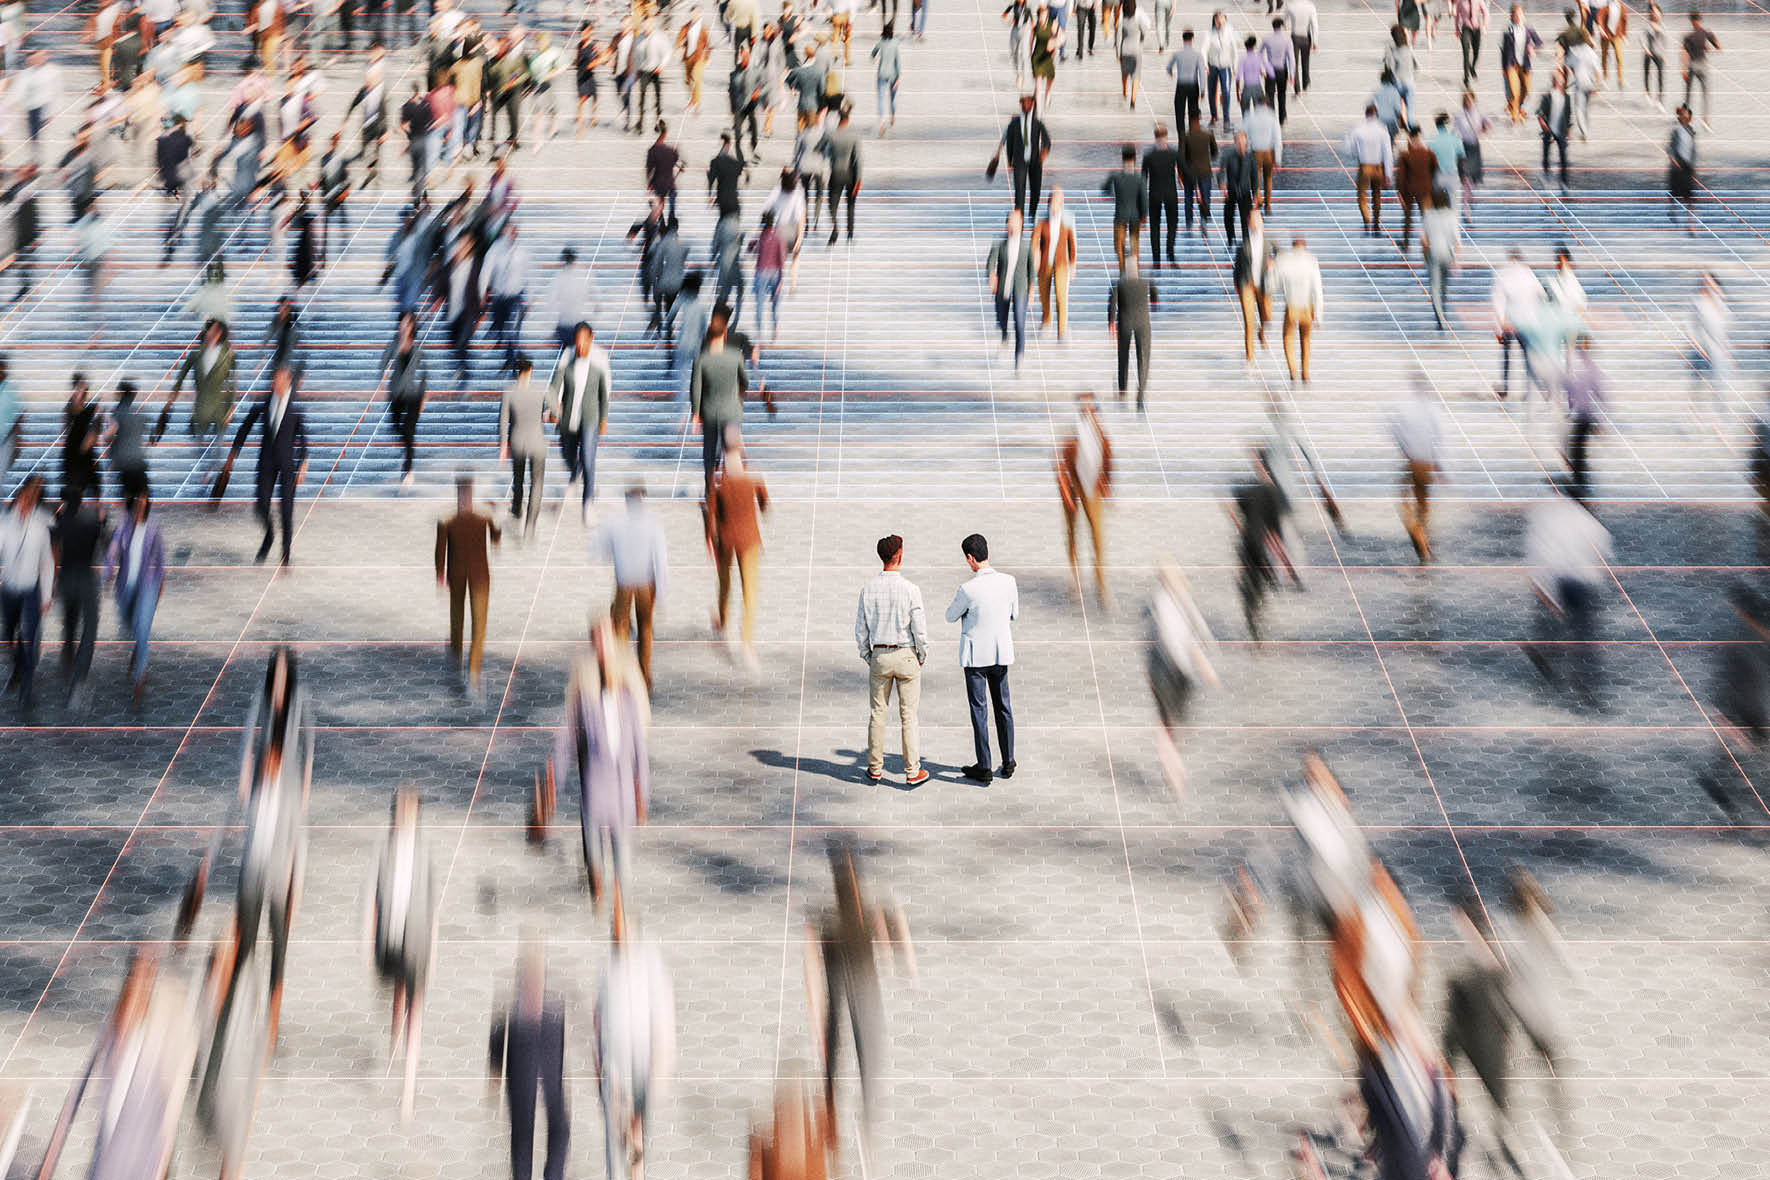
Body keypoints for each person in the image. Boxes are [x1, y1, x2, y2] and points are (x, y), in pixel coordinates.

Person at [806, 839, 912, 1138]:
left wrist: (901, 958)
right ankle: (837, 1110)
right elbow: (813, 960)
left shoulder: (837, 914)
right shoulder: (835, 915)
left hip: (853, 983)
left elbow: (892, 929)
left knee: (852, 1043)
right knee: (845, 1044)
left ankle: (846, 1111)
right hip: (849, 983)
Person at [556, 621, 649, 902]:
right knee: (593, 824)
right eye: (596, 636)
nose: (601, 642)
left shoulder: (625, 667)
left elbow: (640, 713)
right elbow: (570, 724)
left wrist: (641, 793)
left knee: (622, 856)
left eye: (605, 635)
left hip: (621, 784)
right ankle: (595, 871)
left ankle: (620, 907)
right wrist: (556, 776)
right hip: (594, 766)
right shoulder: (583, 670)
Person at [593, 891, 675, 1180]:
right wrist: (600, 1065)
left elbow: (661, 1018)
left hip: (642, 1063)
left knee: (637, 1133)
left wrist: (658, 1071)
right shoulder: (609, 967)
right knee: (617, 1136)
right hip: (615, 1066)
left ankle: (636, 1170)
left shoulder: (649, 964)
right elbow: (599, 1017)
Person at [369, 786, 436, 1122]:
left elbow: (431, 904)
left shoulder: (424, 853)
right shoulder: (386, 848)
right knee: (397, 994)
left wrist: (433, 950)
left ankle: (407, 1091)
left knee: (415, 1008)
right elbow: (376, 898)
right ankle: (394, 1041)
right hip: (391, 940)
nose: (403, 816)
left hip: (416, 943)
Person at [489, 944, 570, 1180]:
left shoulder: (517, 1013)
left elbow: (496, 1052)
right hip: (532, 1088)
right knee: (535, 1134)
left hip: (530, 1088)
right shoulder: (545, 1015)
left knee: (532, 1135)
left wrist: (495, 1081)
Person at [855, 533, 929, 785]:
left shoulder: (868, 589)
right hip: (906, 654)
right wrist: (921, 654)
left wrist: (868, 655)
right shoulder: (911, 589)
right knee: (909, 716)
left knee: (878, 713)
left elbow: (861, 629)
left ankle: (875, 768)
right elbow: (919, 628)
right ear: (899, 555)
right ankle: (912, 771)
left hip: (880, 655)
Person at [945, 533, 1018, 784]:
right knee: (1003, 707)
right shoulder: (1009, 581)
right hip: (1000, 653)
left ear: (970, 558)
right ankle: (1008, 760)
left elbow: (950, 616)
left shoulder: (967, 589)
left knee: (979, 710)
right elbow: (1014, 614)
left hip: (976, 658)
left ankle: (984, 765)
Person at [230, 366, 308, 568]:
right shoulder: (264, 404)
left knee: (286, 508)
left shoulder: (295, 409)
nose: (276, 384)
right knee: (261, 505)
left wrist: (303, 463)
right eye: (274, 381)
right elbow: (245, 427)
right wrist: (234, 452)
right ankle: (269, 534)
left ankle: (285, 553)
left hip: (287, 464)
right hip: (266, 461)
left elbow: (303, 440)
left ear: (288, 382)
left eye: (280, 381)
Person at [707, 432, 769, 668]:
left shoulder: (718, 486)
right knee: (749, 593)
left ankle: (723, 625)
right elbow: (764, 506)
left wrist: (710, 541)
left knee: (724, 585)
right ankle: (746, 642)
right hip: (749, 541)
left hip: (725, 542)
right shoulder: (753, 481)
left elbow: (710, 520)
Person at [597, 487, 668, 693]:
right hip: (646, 583)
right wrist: (662, 594)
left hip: (624, 583)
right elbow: (660, 559)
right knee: (645, 629)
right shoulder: (652, 524)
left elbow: (603, 551)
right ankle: (644, 678)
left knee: (620, 629)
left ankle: (620, 674)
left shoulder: (616, 523)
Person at [436, 474, 502, 697]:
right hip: (477, 577)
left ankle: (462, 665)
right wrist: (496, 516)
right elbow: (496, 540)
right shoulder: (480, 518)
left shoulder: (448, 519)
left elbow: (440, 550)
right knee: (475, 625)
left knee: (462, 622)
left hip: (463, 577)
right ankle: (469, 671)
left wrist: (440, 575)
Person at [550, 323, 613, 522]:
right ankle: (575, 472)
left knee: (588, 457)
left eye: (584, 340)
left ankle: (588, 503)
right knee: (567, 454)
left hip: (590, 417)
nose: (581, 345)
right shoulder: (567, 355)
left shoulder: (600, 358)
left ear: (591, 339)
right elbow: (557, 385)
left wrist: (603, 417)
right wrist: (554, 408)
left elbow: (605, 389)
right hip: (568, 416)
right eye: (578, 341)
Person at [0, 476, 52, 706]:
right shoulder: (4, 524)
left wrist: (46, 595)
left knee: (29, 637)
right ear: (19, 498)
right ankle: (18, 665)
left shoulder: (40, 527)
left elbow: (47, 562)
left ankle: (26, 690)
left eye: (31, 499)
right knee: (10, 635)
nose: (27, 502)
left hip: (31, 589)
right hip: (9, 589)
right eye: (25, 497)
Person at [52, 491, 107, 706]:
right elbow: (103, 542)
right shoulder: (90, 522)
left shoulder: (60, 522)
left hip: (66, 579)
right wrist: (102, 521)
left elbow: (53, 546)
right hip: (86, 578)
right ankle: (78, 679)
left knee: (69, 626)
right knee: (89, 628)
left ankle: (66, 667)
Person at [1057, 396, 1112, 604]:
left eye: (1092, 407)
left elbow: (1107, 459)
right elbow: (1061, 464)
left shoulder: (1100, 435)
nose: (1089, 410)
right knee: (1072, 533)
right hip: (1073, 485)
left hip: (1092, 487)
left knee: (1096, 535)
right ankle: (1075, 578)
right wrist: (1066, 491)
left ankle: (1100, 583)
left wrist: (1106, 486)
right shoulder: (1072, 433)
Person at [691, 308, 752, 490]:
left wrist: (696, 414)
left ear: (708, 335)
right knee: (731, 452)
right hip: (732, 412)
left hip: (710, 413)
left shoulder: (701, 360)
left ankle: (709, 491)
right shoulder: (736, 356)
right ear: (724, 334)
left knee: (709, 452)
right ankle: (731, 491)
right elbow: (745, 381)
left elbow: (696, 388)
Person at [500, 357, 555, 539]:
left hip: (517, 441)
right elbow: (557, 412)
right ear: (531, 369)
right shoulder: (541, 388)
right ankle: (530, 526)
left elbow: (503, 420)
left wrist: (503, 446)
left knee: (518, 477)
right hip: (537, 442)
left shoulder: (509, 391)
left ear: (517, 371)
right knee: (537, 483)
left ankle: (517, 508)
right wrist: (547, 414)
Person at [1392, 378, 1444, 561]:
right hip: (1426, 463)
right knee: (1422, 504)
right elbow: (1439, 438)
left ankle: (1419, 537)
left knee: (1404, 502)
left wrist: (1405, 450)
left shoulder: (1408, 410)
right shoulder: (1432, 411)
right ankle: (1425, 537)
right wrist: (1439, 465)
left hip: (1413, 462)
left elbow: (1397, 432)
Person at [377, 312, 427, 487]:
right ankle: (407, 451)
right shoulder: (394, 344)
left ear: (412, 326)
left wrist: (424, 395)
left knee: (409, 430)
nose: (404, 327)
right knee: (396, 426)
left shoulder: (416, 347)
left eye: (408, 324)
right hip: (397, 393)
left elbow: (424, 373)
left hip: (413, 394)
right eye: (403, 323)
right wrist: (382, 378)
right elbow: (383, 362)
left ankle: (408, 469)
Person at [987, 209, 1036, 370]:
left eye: (1016, 222)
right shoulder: (1000, 244)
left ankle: (1019, 358)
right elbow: (991, 262)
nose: (1013, 226)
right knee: (1001, 320)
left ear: (1020, 224)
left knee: (1020, 324)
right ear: (1007, 225)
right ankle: (1004, 337)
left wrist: (1031, 292)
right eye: (1010, 222)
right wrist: (991, 275)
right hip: (1003, 289)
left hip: (1020, 290)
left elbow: (1031, 271)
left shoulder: (1026, 246)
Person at [1491, 247, 1543, 399]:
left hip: (1509, 322)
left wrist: (1498, 329)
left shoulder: (1503, 275)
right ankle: (1530, 389)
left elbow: (1498, 303)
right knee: (1528, 356)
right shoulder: (1529, 274)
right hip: (1528, 322)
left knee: (1507, 356)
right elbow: (1541, 296)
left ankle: (1505, 387)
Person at [1271, 235, 1323, 384]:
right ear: (1305, 247)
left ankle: (1293, 371)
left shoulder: (1284, 261)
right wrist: (1319, 315)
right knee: (1305, 340)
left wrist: (1271, 269)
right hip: (1307, 306)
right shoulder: (1312, 261)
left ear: (1293, 246)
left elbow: (1273, 286)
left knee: (1288, 338)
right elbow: (1318, 290)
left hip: (1292, 306)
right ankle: (1305, 373)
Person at [992, 94, 1050, 228]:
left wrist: (1044, 153)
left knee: (1036, 190)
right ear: (1021, 105)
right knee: (1019, 191)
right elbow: (1009, 141)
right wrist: (1009, 159)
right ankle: (1020, 218)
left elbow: (1047, 140)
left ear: (1032, 105)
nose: (1026, 105)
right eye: (1024, 102)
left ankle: (1032, 213)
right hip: (1019, 161)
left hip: (1035, 161)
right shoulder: (1014, 124)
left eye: (1029, 102)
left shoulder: (1038, 123)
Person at [1108, 255, 1156, 408]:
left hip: (1125, 323)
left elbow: (1112, 305)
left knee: (1123, 357)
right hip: (1143, 323)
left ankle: (1123, 391)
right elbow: (1154, 297)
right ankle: (1140, 395)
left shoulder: (1118, 284)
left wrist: (1111, 323)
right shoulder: (1146, 282)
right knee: (1144, 358)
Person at [1032, 188, 1077, 338]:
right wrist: (1035, 256)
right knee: (1044, 295)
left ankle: (1062, 330)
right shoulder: (1042, 222)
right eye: (1052, 203)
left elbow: (1072, 245)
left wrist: (1072, 264)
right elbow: (1034, 241)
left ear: (1061, 205)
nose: (1054, 207)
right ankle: (1046, 321)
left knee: (1060, 296)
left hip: (1061, 265)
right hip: (1044, 264)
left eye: (1057, 203)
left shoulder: (1066, 223)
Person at [1343, 105, 1393, 233]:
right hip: (1378, 167)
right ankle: (1376, 222)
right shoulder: (1382, 129)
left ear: (1366, 114)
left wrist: (1356, 153)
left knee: (1362, 196)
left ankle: (1366, 221)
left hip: (1364, 166)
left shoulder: (1358, 129)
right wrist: (1388, 173)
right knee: (1377, 195)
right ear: (1377, 115)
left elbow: (1348, 148)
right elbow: (1388, 153)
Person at [1233, 210, 1271, 365]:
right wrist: (1237, 283)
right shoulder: (1243, 245)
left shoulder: (1269, 243)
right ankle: (1249, 356)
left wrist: (1274, 263)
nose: (1256, 223)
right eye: (1253, 221)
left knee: (1267, 315)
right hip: (1247, 285)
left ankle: (1261, 332)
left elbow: (1282, 255)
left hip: (1263, 285)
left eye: (1259, 220)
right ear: (1249, 223)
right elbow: (1237, 267)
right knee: (1249, 322)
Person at [1420, 187, 1460, 329]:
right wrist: (1456, 260)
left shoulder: (1428, 215)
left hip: (1433, 253)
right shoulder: (1451, 216)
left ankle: (1440, 317)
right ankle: (1443, 311)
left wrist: (1424, 256)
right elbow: (1456, 240)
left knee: (1435, 287)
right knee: (1443, 286)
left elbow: (1424, 240)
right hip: (1447, 254)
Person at [1102, 145, 1146, 270]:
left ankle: (1122, 268)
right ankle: (1133, 268)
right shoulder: (1140, 177)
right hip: (1135, 216)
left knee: (1118, 244)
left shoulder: (1115, 176)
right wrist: (1144, 215)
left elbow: (1105, 189)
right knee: (1134, 245)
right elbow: (1144, 198)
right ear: (1135, 158)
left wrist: (1112, 195)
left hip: (1120, 215)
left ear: (1122, 158)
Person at [824, 103, 863, 245]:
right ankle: (850, 235)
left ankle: (835, 228)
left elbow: (826, 153)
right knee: (851, 205)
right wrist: (859, 179)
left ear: (839, 119)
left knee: (832, 204)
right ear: (848, 119)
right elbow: (858, 159)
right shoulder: (854, 136)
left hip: (836, 173)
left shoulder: (831, 135)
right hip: (850, 174)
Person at [1499, 4, 1540, 124]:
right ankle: (1515, 117)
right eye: (1516, 15)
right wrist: (1503, 67)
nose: (1519, 17)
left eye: (1520, 14)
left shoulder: (1529, 29)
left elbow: (1539, 42)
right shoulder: (1507, 30)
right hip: (1511, 64)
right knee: (1515, 92)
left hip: (1525, 65)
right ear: (1512, 16)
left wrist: (1532, 48)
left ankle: (1516, 106)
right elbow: (1503, 50)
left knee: (1527, 90)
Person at [1396, 126, 1435, 249]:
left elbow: (1401, 177)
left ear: (1410, 138)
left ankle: (1406, 243)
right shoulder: (1429, 154)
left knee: (1407, 217)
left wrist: (1400, 192)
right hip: (1425, 190)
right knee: (1426, 217)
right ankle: (1428, 243)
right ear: (1420, 136)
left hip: (1409, 190)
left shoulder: (1406, 156)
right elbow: (1435, 171)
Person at [1243, 94, 1281, 214]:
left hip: (1255, 152)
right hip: (1269, 152)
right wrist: (1278, 159)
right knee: (1268, 178)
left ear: (1256, 103)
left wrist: (1246, 152)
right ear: (1267, 104)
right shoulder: (1272, 117)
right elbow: (1278, 139)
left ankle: (1258, 200)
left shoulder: (1250, 116)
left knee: (1255, 178)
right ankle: (1268, 205)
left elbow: (1244, 135)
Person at [1680, 10, 1718, 127]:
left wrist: (1683, 70)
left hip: (1693, 65)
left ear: (1691, 20)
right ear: (1699, 19)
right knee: (1705, 93)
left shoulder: (1688, 36)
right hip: (1702, 65)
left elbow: (1684, 53)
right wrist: (1707, 48)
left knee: (1688, 94)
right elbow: (1718, 47)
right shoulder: (1706, 33)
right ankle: (1705, 120)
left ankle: (1685, 119)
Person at [1180, 113, 1216, 235]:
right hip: (1205, 171)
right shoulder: (1208, 135)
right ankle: (1204, 221)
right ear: (1200, 118)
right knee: (1205, 197)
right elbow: (1215, 153)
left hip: (1189, 172)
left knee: (1188, 198)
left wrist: (1182, 172)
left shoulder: (1186, 136)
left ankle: (1189, 223)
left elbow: (1182, 157)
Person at [1219, 129, 1255, 249]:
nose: (1241, 145)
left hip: (1245, 191)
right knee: (1228, 216)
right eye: (1238, 143)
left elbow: (1254, 176)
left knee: (1246, 218)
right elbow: (1221, 171)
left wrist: (1255, 193)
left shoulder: (1250, 157)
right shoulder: (1228, 155)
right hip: (1231, 190)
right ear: (1235, 143)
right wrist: (1222, 184)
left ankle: (1246, 241)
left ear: (1246, 143)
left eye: (1243, 143)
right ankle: (1230, 238)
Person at [1537, 69, 1572, 187]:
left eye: (1560, 79)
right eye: (1556, 78)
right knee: (1546, 155)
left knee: (1563, 157)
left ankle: (1564, 181)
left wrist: (1568, 130)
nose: (1559, 81)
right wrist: (1544, 126)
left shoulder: (1566, 97)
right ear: (1553, 80)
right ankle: (1546, 174)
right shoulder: (1547, 97)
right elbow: (1540, 114)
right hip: (1549, 130)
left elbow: (1568, 115)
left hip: (1561, 130)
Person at [1668, 103, 1697, 232]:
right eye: (1683, 115)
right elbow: (1670, 147)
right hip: (1677, 166)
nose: (1685, 117)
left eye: (1687, 115)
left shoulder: (1691, 131)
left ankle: (1690, 223)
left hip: (1687, 166)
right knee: (1675, 193)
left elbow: (1693, 149)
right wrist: (1673, 159)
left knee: (1689, 196)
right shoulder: (1676, 131)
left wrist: (1692, 164)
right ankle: (1673, 211)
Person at [872, 21, 902, 134]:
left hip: (882, 74)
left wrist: (875, 58)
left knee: (881, 99)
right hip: (893, 75)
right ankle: (893, 116)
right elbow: (898, 62)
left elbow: (873, 54)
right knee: (893, 98)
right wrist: (898, 78)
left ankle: (882, 123)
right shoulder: (895, 43)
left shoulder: (880, 42)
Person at [1455, 0, 1488, 84]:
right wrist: (1457, 29)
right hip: (1466, 29)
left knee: (1476, 53)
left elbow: (1485, 13)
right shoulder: (1460, 2)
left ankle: (1472, 67)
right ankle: (1466, 77)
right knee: (1466, 53)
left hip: (1476, 29)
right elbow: (1457, 15)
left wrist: (1484, 26)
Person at [1642, 1, 1667, 107]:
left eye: (1657, 12)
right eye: (1653, 12)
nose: (1655, 14)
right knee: (1647, 73)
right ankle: (1647, 93)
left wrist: (1664, 54)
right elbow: (1641, 37)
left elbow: (1664, 41)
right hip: (1649, 52)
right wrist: (1645, 48)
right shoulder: (1647, 24)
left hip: (1658, 53)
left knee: (1661, 76)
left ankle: (1659, 99)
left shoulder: (1662, 25)